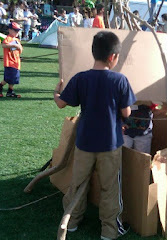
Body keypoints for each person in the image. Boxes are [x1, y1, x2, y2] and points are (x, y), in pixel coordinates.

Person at [53, 31, 136, 240]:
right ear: (113, 57)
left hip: (85, 143)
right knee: (110, 187)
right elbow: (126, 113)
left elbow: (61, 103)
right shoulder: (120, 80)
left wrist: (56, 94)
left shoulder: (81, 78)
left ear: (94, 53)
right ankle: (109, 230)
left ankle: (71, 222)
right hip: (110, 144)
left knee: (78, 183)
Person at [0, 22, 23, 98]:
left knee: (14, 78)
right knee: (9, 77)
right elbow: (4, 45)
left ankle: (10, 91)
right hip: (9, 62)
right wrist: (13, 45)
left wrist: (19, 47)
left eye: (18, 31)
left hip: (16, 62)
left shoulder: (17, 40)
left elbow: (20, 50)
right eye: (15, 30)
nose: (17, 32)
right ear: (10, 30)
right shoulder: (8, 38)